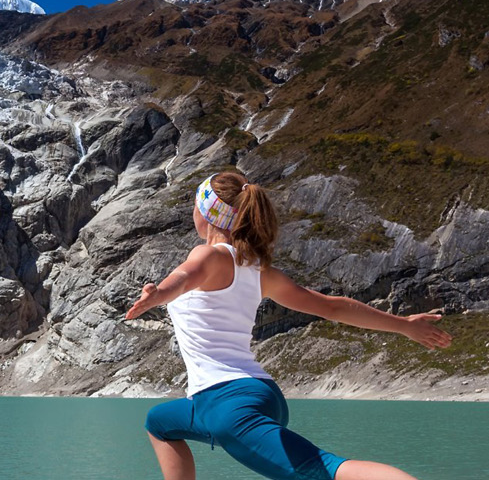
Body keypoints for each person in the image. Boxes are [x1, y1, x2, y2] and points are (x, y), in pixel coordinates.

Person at [124, 171, 452, 480]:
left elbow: (184, 277)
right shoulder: (258, 271)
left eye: (195, 203)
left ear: (207, 212)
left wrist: (159, 293)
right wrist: (404, 325)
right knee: (159, 422)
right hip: (255, 395)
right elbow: (331, 307)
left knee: (326, 469)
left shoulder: (207, 256)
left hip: (229, 406)